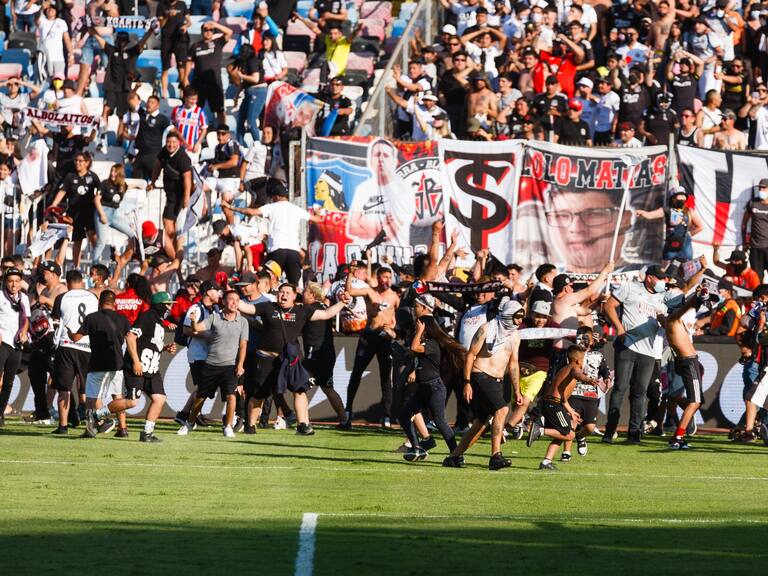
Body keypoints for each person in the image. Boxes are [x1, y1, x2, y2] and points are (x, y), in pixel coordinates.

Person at [236, 283, 350, 435]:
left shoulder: (302, 310)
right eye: (281, 292)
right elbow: (246, 308)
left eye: (287, 292)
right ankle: (250, 425)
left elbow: (326, 314)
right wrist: (231, 297)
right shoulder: (268, 307)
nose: (283, 295)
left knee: (300, 390)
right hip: (266, 359)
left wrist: (343, 302)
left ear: (294, 296)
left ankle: (302, 425)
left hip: (290, 359)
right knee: (259, 394)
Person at [443, 300, 524, 471]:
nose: (519, 321)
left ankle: (454, 456)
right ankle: (496, 456)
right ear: (508, 315)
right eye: (517, 317)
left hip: (498, 380)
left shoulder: (515, 336)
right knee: (502, 410)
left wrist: (517, 390)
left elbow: (513, 363)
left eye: (521, 317)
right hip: (480, 375)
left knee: (482, 421)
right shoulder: (486, 329)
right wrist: (466, 382)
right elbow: (471, 355)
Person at [601, 265, 668, 444]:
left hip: (648, 352)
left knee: (640, 392)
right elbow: (609, 306)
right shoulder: (630, 287)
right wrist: (620, 329)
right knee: (620, 389)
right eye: (659, 278)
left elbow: (666, 325)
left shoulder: (661, 299)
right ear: (649, 278)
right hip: (627, 346)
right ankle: (610, 431)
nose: (662, 282)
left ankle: (634, 434)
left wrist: (664, 321)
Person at [399, 294, 465, 462]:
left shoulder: (432, 344)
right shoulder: (426, 344)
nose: (414, 309)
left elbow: (414, 347)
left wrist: (420, 331)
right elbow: (414, 353)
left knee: (440, 422)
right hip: (424, 387)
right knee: (405, 415)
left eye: (416, 306)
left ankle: (456, 454)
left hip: (434, 387)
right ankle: (417, 448)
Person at [221, 179, 321, 284]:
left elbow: (250, 212)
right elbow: (318, 219)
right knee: (293, 286)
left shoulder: (272, 207)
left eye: (272, 197)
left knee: (266, 283)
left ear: (276, 196)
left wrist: (231, 207)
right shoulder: (297, 209)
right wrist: (317, 213)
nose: (272, 199)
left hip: (276, 251)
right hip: (293, 252)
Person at [179, 290, 249, 438]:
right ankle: (190, 423)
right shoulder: (214, 317)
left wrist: (240, 364)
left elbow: (243, 345)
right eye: (231, 299)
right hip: (211, 364)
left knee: (231, 396)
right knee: (200, 397)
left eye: (237, 300)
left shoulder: (243, 322)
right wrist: (192, 321)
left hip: (230, 366)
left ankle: (228, 426)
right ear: (224, 302)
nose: (234, 302)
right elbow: (197, 328)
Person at [341, 264, 401, 428]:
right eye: (384, 277)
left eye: (389, 277)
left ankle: (387, 416)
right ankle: (347, 413)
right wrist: (350, 274)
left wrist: (394, 332)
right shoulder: (370, 291)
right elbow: (350, 291)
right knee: (356, 374)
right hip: (369, 336)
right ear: (378, 277)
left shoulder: (394, 296)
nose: (387, 281)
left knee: (385, 377)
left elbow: (398, 318)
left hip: (385, 339)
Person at [116, 292, 177, 442]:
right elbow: (130, 337)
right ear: (160, 305)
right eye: (168, 304)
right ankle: (98, 414)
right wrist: (136, 361)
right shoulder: (147, 316)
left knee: (160, 398)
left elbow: (150, 342)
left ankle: (147, 433)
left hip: (152, 368)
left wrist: (164, 347)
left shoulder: (159, 322)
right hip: (138, 367)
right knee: (132, 402)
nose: (170, 308)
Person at [68, 290, 130, 438]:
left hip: (97, 364)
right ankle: (123, 428)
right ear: (114, 303)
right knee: (118, 397)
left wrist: (69, 332)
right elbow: (131, 339)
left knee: (91, 399)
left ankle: (90, 429)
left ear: (99, 302)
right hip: (117, 363)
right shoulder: (123, 319)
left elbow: (76, 338)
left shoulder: (92, 318)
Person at [527, 345, 598, 470]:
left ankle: (546, 462)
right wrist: (587, 379)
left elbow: (562, 393)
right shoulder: (574, 368)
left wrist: (571, 411)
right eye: (583, 359)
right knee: (569, 434)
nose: (584, 362)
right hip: (554, 405)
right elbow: (578, 375)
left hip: (553, 403)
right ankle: (539, 430)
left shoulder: (565, 369)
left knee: (562, 434)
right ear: (577, 360)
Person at [50, 270, 99, 435]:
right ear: (82, 282)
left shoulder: (61, 297)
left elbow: (56, 321)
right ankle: (88, 419)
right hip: (87, 346)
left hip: (67, 345)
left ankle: (63, 426)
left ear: (67, 282)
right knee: (87, 385)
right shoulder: (93, 297)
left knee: (64, 387)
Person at [663, 288, 711, 449]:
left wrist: (699, 299)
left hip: (685, 361)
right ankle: (677, 438)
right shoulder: (673, 319)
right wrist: (697, 297)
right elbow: (686, 307)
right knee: (695, 401)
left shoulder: (670, 319)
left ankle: (679, 433)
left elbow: (688, 308)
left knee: (691, 400)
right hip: (689, 362)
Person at [347, 139, 415, 249]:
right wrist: (380, 227)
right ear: (370, 160)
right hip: (366, 253)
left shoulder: (404, 189)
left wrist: (363, 221)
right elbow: (352, 227)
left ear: (394, 161)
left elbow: (390, 233)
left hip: (394, 254)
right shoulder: (363, 188)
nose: (381, 159)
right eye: (377, 155)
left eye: (386, 155)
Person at [562, 327, 612, 459]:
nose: (582, 340)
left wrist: (606, 378)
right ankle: (566, 452)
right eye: (579, 337)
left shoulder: (598, 355)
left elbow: (604, 369)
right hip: (573, 392)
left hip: (590, 395)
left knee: (589, 427)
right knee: (571, 422)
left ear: (591, 340)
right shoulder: (570, 354)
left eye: (585, 338)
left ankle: (580, 436)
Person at [300, 282, 346, 425]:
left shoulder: (309, 309)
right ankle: (344, 419)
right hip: (327, 354)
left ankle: (299, 420)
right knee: (327, 388)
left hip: (314, 355)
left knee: (299, 387)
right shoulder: (324, 306)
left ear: (312, 295)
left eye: (305, 291)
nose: (302, 293)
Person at [147, 131, 192, 257]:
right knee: (168, 223)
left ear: (179, 143)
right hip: (170, 195)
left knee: (170, 223)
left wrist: (187, 197)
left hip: (180, 196)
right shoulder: (164, 152)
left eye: (173, 142)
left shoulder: (183, 158)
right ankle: (172, 251)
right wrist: (153, 182)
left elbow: (187, 178)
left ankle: (173, 252)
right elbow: (157, 165)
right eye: (168, 142)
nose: (170, 145)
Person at [636, 185, 703, 264]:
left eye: (683, 196)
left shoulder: (689, 211)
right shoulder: (667, 210)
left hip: (685, 246)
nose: (682, 198)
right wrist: (642, 213)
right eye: (680, 195)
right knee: (665, 269)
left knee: (685, 269)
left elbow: (700, 227)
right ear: (673, 198)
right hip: (671, 245)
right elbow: (650, 215)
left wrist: (689, 234)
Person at [185, 20, 233, 125]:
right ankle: (195, 130)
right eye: (205, 30)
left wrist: (215, 24)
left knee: (220, 110)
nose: (208, 32)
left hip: (214, 83)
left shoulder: (217, 43)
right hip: (199, 83)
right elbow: (188, 63)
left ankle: (222, 131)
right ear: (202, 31)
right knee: (195, 109)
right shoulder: (195, 46)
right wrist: (185, 78)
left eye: (211, 30)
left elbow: (229, 32)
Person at [0, 267, 30, 425]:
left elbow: (26, 320)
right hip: (2, 342)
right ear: (5, 282)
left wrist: (24, 332)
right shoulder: (0, 296)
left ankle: (0, 413)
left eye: (17, 281)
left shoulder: (23, 298)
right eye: (11, 281)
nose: (14, 285)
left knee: (9, 382)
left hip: (17, 345)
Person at [92, 163, 134, 262]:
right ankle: (94, 265)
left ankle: (126, 258)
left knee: (132, 235)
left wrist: (144, 185)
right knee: (101, 241)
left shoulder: (122, 185)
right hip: (103, 211)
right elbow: (97, 200)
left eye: (115, 171)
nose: (112, 173)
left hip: (115, 214)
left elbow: (132, 186)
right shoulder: (105, 183)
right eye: (112, 171)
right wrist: (102, 215)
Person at [157, 0, 191, 98]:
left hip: (180, 38)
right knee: (165, 68)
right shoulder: (161, 5)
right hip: (167, 39)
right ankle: (164, 94)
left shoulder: (182, 4)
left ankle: (182, 93)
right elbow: (161, 25)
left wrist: (186, 26)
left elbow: (189, 22)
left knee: (181, 68)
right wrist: (167, 16)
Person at [741, 178, 768, 282]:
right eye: (760, 188)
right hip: (755, 247)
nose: (761, 190)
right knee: (757, 279)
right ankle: (759, 297)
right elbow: (744, 223)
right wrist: (744, 242)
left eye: (764, 188)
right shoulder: (752, 203)